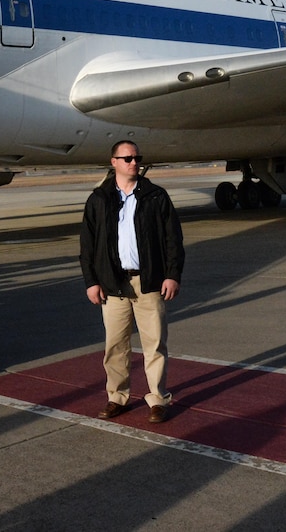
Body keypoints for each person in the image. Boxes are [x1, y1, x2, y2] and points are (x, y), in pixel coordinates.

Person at [79, 141, 185, 424]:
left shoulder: (155, 196)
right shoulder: (99, 199)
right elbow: (87, 245)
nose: (133, 162)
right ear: (113, 162)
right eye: (127, 158)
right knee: (115, 345)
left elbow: (173, 239)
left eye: (137, 157)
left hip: (148, 282)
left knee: (155, 343)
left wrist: (172, 274)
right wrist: (91, 281)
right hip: (112, 284)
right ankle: (117, 397)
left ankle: (158, 399)